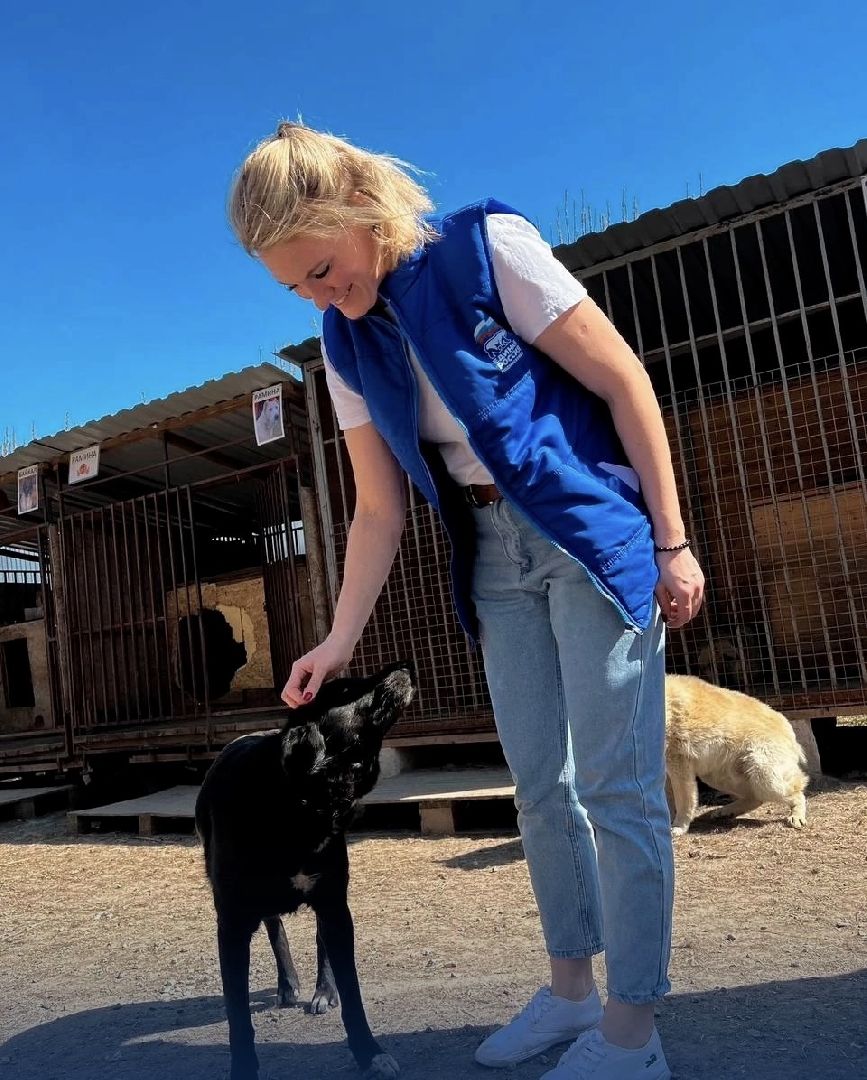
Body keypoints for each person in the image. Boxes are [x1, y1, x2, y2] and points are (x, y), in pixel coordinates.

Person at [229, 121, 705, 1080]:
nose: (321, 294)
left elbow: (624, 381)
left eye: (322, 268)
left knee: (617, 789)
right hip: (488, 557)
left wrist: (672, 539)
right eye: (296, 286)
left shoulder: (486, 249)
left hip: (585, 534)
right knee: (539, 788)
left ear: (361, 211)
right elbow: (375, 507)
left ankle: (632, 1029)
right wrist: (335, 638)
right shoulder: (341, 344)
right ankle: (571, 992)